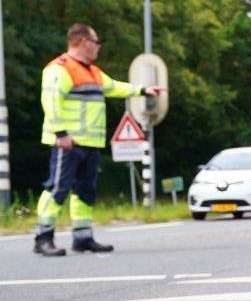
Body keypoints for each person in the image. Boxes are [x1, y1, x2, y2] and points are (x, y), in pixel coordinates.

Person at [34, 23, 163, 256]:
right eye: (96, 42)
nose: (98, 47)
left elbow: (113, 87)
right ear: (83, 42)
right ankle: (43, 237)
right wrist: (61, 134)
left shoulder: (92, 71)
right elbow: (50, 103)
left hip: (90, 143)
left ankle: (82, 237)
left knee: (85, 191)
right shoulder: (59, 69)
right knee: (57, 188)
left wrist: (143, 91)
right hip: (68, 143)